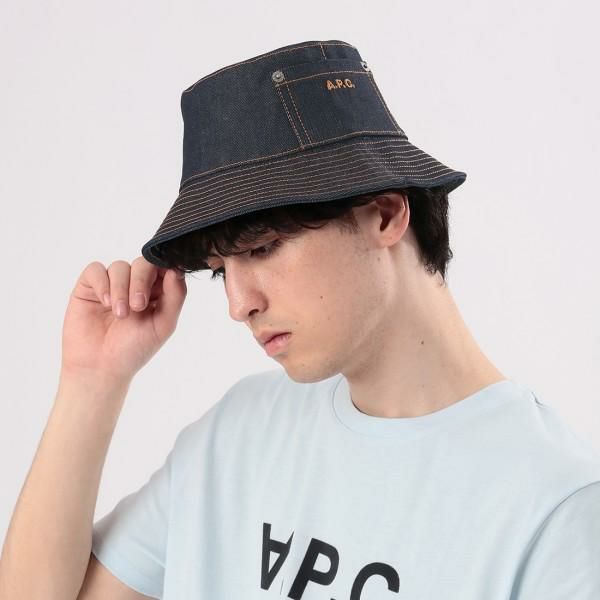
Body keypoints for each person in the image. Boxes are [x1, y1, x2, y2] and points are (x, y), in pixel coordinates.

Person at [1, 39, 599, 600]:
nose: (239, 305)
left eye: (263, 248)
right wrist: (92, 380)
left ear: (385, 214)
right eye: (220, 271)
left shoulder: (556, 511)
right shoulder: (239, 434)